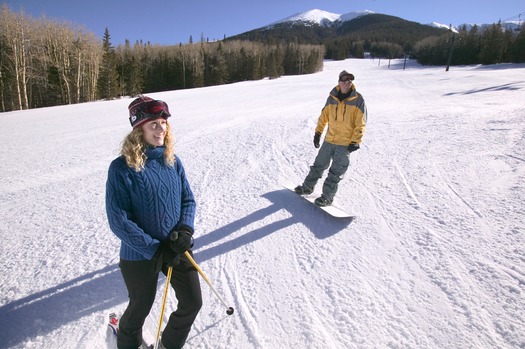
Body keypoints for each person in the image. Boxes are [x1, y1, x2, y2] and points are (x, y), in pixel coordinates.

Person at [106, 96, 202, 349]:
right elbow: (118, 219)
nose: (161, 129)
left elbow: (188, 200)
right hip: (140, 253)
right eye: (154, 124)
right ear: (139, 129)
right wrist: (154, 249)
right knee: (140, 307)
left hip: (175, 247)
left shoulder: (173, 160)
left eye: (163, 122)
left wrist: (184, 230)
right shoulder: (121, 168)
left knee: (192, 302)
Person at [294, 70, 367, 206]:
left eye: (349, 81)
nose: (347, 83)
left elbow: (361, 122)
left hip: (344, 144)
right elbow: (323, 117)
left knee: (335, 173)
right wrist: (318, 133)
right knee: (318, 166)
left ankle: (327, 197)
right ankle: (307, 187)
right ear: (339, 82)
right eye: (344, 81)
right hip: (329, 140)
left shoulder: (358, 100)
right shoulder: (332, 97)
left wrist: (356, 141)